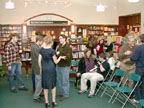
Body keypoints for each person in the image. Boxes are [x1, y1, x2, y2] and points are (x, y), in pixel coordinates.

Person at [38, 36, 66, 108]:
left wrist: (41, 69)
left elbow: (39, 61)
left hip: (44, 68)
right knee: (53, 86)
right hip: (51, 69)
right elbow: (56, 62)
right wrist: (60, 57)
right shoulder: (51, 50)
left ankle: (46, 102)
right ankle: (54, 102)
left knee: (45, 86)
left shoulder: (41, 50)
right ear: (50, 42)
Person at [124, 34, 144, 104]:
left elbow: (134, 58)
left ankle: (137, 98)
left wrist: (126, 60)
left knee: (136, 83)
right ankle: (142, 98)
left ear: (140, 39)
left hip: (140, 67)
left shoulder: (139, 47)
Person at [56, 34, 72, 101]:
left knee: (65, 81)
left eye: (61, 38)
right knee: (59, 80)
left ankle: (66, 94)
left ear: (65, 39)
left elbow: (67, 57)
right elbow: (57, 54)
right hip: (58, 65)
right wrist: (60, 55)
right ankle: (61, 92)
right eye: (59, 39)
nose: (60, 40)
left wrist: (59, 55)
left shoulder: (68, 47)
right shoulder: (59, 46)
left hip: (65, 66)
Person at [31, 35, 44, 103]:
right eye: (42, 42)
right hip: (38, 67)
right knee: (40, 82)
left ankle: (37, 93)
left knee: (37, 81)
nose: (42, 43)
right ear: (39, 41)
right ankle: (36, 96)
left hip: (35, 67)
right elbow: (40, 58)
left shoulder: (34, 46)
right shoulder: (36, 48)